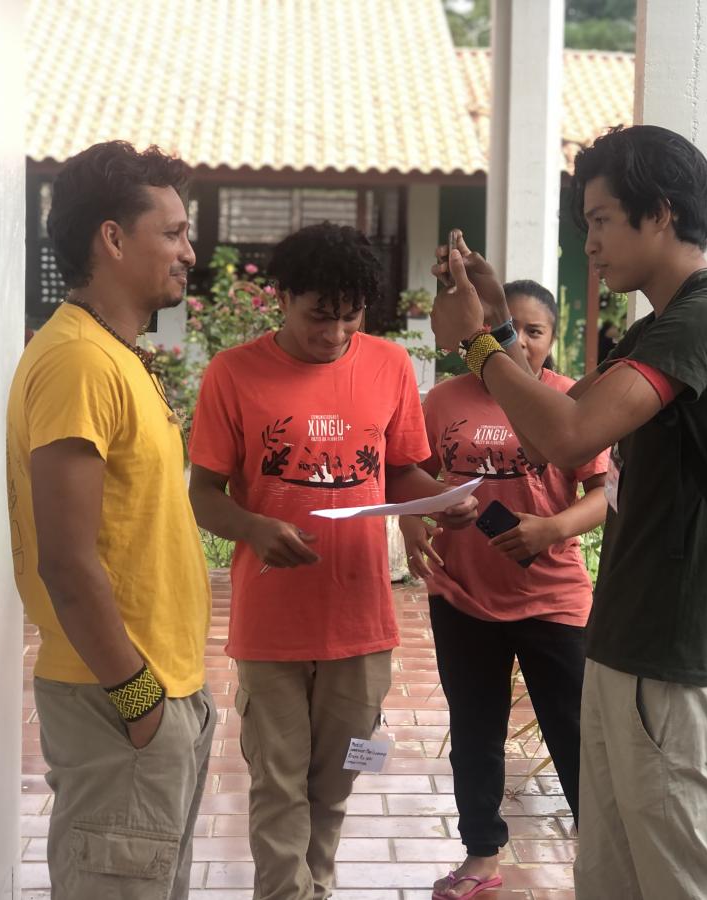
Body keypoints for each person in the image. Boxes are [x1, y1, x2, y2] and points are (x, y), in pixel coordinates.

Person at [430, 124, 707, 899]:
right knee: (612, 878)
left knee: (683, 885)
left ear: (657, 213)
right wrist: (494, 323)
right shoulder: (658, 328)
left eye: (598, 220)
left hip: (678, 666)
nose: (587, 242)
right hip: (629, 651)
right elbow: (555, 408)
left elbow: (565, 436)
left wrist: (479, 347)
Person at [186, 222, 479, 900]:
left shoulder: (388, 367)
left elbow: (402, 472)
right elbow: (202, 495)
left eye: (351, 318)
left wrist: (443, 501)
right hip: (272, 623)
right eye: (320, 317)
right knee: (278, 780)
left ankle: (315, 884)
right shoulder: (234, 374)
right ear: (282, 298)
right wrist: (255, 527)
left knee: (340, 776)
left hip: (360, 619)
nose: (336, 335)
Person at [6, 140, 214, 900]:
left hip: (155, 695)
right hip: (119, 699)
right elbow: (66, 559)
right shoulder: (80, 363)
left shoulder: (115, 354)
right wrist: (141, 704)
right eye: (174, 232)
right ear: (113, 238)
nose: (190, 251)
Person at [399, 279, 609, 899]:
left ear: (550, 338)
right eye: (504, 328)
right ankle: (481, 857)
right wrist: (415, 520)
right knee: (475, 729)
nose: (517, 341)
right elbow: (412, 473)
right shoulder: (442, 400)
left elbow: (603, 494)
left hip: (554, 599)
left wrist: (552, 528)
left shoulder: (569, 401)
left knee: (574, 731)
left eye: (533, 331)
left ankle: (601, 854)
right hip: (462, 594)